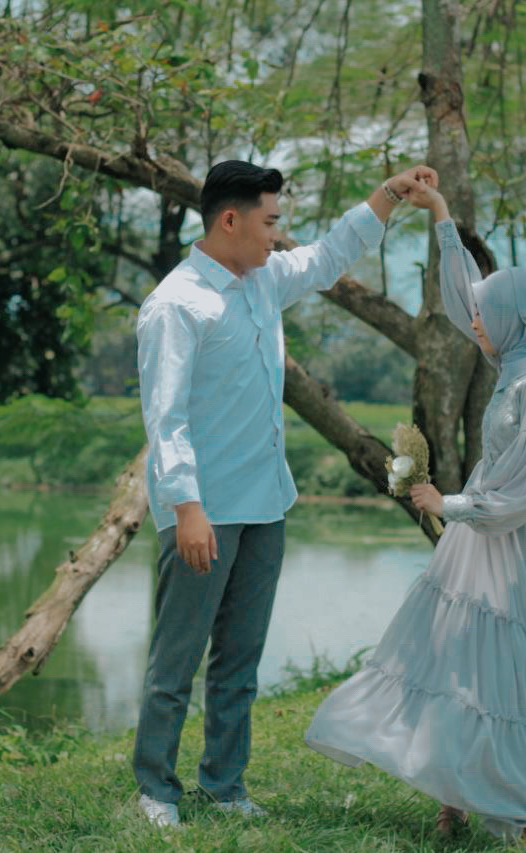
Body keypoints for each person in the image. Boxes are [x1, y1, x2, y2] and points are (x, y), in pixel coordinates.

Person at [133, 159, 438, 829]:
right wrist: (186, 507)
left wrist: (390, 194)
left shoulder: (263, 280)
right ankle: (156, 790)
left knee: (239, 660)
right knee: (176, 660)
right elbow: (166, 418)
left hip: (265, 502)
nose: (278, 236)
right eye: (270, 222)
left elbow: (329, 256)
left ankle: (225, 785)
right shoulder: (177, 305)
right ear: (230, 220)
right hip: (203, 510)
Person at [304, 183, 526, 853]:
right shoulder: (513, 359)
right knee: (452, 652)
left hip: (514, 541)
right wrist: (441, 217)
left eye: (489, 313)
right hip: (480, 538)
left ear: (518, 318)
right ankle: (452, 797)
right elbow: (463, 299)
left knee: (505, 674)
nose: (475, 321)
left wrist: (447, 504)